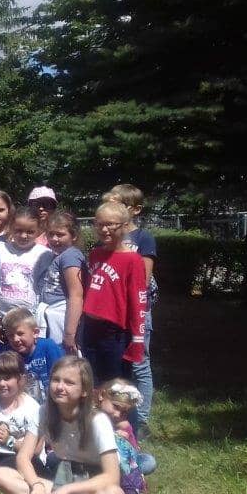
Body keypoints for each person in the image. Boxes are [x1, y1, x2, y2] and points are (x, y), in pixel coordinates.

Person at [0, 357, 125, 494]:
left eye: (69, 382)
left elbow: (112, 477)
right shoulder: (43, 412)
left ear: (84, 391)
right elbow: (23, 457)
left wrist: (67, 490)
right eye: (56, 380)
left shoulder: (98, 421)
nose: (60, 387)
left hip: (93, 484)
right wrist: (37, 486)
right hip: (63, 476)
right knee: (0, 475)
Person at [103, 184, 158, 438]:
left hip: (136, 310)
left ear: (134, 210)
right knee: (119, 361)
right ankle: (117, 412)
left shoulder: (143, 239)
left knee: (139, 362)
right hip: (113, 312)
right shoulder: (107, 238)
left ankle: (142, 417)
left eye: (118, 204)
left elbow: (143, 279)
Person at [81, 201, 147, 384]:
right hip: (90, 327)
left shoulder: (133, 260)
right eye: (100, 224)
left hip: (114, 332)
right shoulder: (95, 254)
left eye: (110, 224)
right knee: (92, 380)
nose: (104, 230)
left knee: (115, 385)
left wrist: (138, 339)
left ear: (124, 226)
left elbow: (138, 301)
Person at [0, 207, 51, 340]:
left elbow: (43, 291)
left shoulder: (44, 255)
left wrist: (33, 323)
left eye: (30, 232)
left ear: (38, 230)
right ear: (10, 227)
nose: (24, 236)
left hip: (31, 323)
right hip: (2, 322)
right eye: (18, 230)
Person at [0, 351, 40, 479]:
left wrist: (8, 441)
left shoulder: (32, 408)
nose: (2, 383)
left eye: (7, 378)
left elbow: (36, 450)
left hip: (17, 455)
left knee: (20, 462)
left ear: (20, 379)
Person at [95, 379, 155, 494]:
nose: (118, 414)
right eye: (115, 406)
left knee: (149, 461)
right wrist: (112, 436)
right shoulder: (92, 415)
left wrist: (126, 434)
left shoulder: (121, 423)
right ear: (101, 395)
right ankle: (122, 482)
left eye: (124, 412)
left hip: (121, 460)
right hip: (97, 459)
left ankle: (128, 478)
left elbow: (132, 450)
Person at [38, 211, 87, 354]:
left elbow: (76, 295)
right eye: (51, 234)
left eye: (60, 234)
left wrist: (70, 333)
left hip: (62, 317)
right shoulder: (58, 256)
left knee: (65, 359)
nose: (54, 239)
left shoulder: (70, 256)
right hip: (51, 316)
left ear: (74, 236)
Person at [0, 308, 64, 403]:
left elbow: (62, 374)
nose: (15, 339)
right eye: (10, 335)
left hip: (51, 401)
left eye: (20, 333)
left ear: (35, 333)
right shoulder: (8, 353)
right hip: (23, 403)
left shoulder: (48, 347)